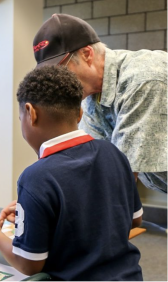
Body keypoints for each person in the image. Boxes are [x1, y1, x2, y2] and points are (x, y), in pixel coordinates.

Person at [0, 66, 143, 281]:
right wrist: (47, 219)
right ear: (80, 113)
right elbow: (134, 220)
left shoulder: (36, 177)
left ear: (30, 113)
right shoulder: (112, 152)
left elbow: (29, 264)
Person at [32, 13, 168, 194]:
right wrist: (38, 199)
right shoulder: (92, 98)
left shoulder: (143, 79)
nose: (57, 81)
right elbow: (92, 167)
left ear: (87, 54)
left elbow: (120, 175)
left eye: (61, 70)